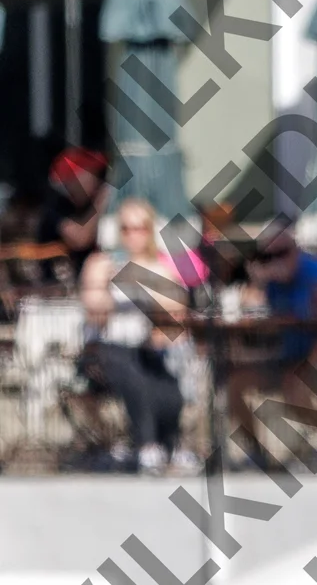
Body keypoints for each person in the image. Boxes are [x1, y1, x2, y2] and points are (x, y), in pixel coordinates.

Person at [75, 198, 198, 474]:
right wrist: (105, 285)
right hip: (104, 349)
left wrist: (143, 282)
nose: (133, 235)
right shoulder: (101, 263)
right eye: (126, 228)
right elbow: (94, 311)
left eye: (140, 228)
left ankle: (170, 445)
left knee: (167, 384)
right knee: (130, 372)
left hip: (144, 347)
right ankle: (146, 444)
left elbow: (175, 312)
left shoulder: (160, 268)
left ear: (149, 230)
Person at [233, 227, 317, 462]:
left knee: (293, 387)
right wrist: (256, 281)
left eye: (281, 254)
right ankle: (257, 455)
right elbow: (259, 318)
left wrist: (307, 367)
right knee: (235, 386)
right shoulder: (272, 283)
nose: (274, 261)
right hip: (287, 356)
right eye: (266, 256)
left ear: (295, 250)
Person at [37, 147, 111, 279]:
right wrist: (102, 202)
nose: (98, 180)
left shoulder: (90, 202)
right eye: (91, 173)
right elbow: (80, 239)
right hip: (55, 282)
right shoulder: (56, 206)